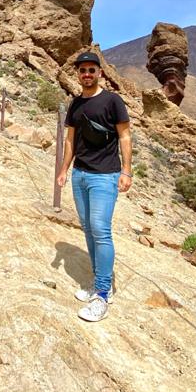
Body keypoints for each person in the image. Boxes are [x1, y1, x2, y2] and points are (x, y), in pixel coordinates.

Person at [55, 52, 132, 322]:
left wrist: (126, 171)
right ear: (78, 74)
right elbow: (70, 141)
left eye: (91, 70)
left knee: (100, 228)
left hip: (105, 175)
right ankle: (101, 280)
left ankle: (101, 293)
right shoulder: (76, 104)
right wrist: (64, 170)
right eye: (82, 70)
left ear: (100, 72)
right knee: (87, 227)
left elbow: (124, 136)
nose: (86, 74)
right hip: (80, 174)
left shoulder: (112, 101)